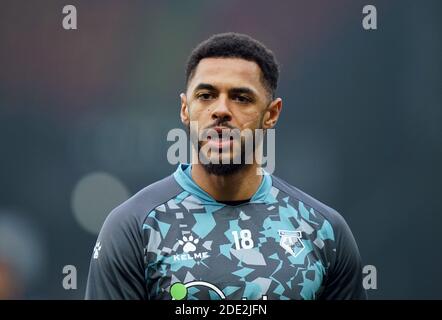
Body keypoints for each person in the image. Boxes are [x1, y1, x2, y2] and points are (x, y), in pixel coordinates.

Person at [85, 32, 366, 300]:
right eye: (206, 95)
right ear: (185, 109)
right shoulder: (133, 228)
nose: (221, 110)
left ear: (271, 114)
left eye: (241, 98)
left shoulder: (323, 231)